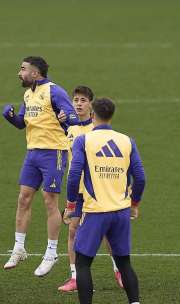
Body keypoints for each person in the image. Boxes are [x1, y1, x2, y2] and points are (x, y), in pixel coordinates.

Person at [65, 98, 146, 304]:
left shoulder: (83, 140)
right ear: (112, 116)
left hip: (95, 212)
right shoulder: (126, 141)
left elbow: (74, 175)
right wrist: (134, 204)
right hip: (120, 212)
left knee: (82, 263)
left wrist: (72, 204)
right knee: (124, 262)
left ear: (93, 114)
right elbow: (140, 177)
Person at [1, 56, 78, 276]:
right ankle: (19, 248)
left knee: (49, 200)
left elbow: (73, 116)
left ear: (35, 73)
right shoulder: (28, 94)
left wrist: (66, 116)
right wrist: (11, 117)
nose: (19, 73)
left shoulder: (55, 91)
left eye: (23, 69)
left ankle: (51, 252)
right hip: (33, 153)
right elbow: (22, 123)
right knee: (23, 197)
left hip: (53, 152)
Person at [58, 86, 123, 293]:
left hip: (97, 190)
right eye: (75, 99)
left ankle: (118, 270)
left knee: (106, 233)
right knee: (73, 229)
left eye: (83, 100)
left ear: (91, 105)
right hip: (77, 190)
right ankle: (76, 277)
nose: (78, 103)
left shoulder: (96, 130)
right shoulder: (70, 128)